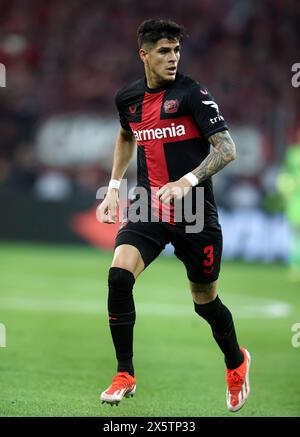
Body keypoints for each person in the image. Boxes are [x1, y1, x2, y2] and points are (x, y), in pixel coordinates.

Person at [97, 19, 251, 413]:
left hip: (196, 212)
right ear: (144, 54)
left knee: (204, 302)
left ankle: (236, 362)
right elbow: (126, 135)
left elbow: (227, 149)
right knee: (118, 276)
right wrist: (113, 190)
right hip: (149, 205)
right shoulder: (127, 98)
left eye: (177, 50)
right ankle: (125, 373)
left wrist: (187, 181)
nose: (173, 58)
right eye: (164, 51)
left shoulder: (192, 94)